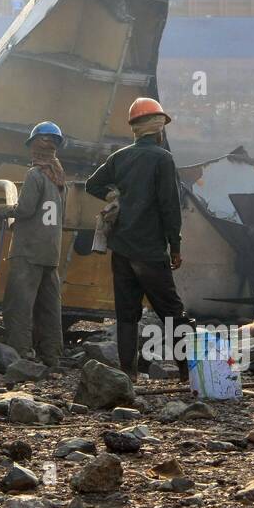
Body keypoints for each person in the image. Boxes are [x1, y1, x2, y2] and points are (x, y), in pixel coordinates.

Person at [85, 97, 193, 381]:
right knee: (172, 313)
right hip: (150, 250)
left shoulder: (119, 157)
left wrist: (112, 195)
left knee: (127, 315)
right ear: (159, 129)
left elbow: (91, 184)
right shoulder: (163, 159)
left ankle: (127, 375)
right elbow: (170, 205)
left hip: (122, 249)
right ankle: (189, 372)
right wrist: (176, 246)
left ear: (135, 128)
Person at [0, 121, 67, 366]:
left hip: (29, 250)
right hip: (50, 251)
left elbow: (25, 209)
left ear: (34, 145)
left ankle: (20, 354)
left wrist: (3, 211)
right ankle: (52, 355)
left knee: (19, 304)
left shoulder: (35, 175)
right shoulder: (60, 178)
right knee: (49, 307)